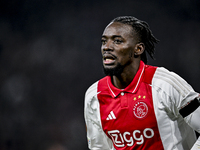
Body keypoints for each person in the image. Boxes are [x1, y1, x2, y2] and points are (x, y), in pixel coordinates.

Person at [84, 16, 200, 150]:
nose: (107, 47)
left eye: (117, 41)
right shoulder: (94, 96)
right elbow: (99, 147)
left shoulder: (165, 85)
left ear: (138, 49)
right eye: (104, 41)